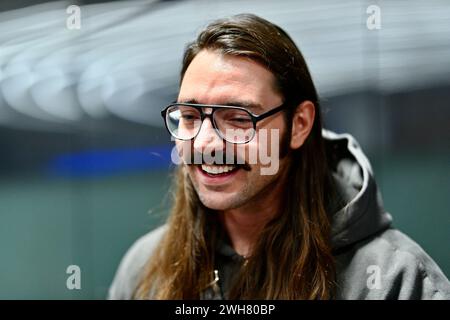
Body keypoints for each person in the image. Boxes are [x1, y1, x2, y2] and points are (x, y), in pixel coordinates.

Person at [108, 14, 450, 300]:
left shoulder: (393, 279)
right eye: (190, 117)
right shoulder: (144, 268)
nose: (206, 144)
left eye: (239, 119)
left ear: (299, 124)